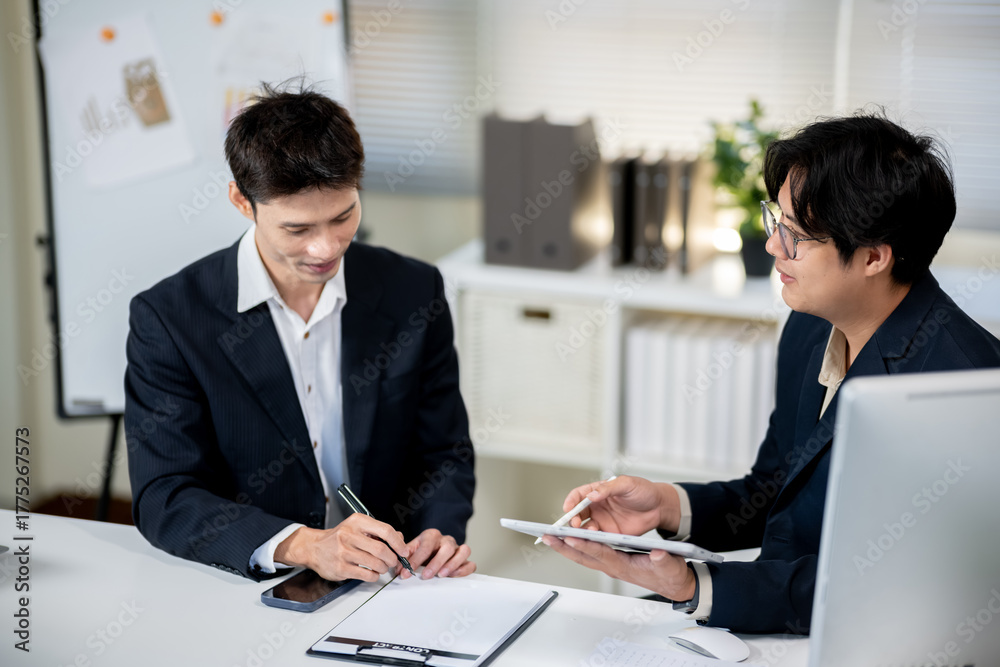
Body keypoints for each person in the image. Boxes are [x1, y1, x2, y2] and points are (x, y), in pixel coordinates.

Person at [542, 113, 1000, 634]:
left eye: (796, 235)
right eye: (776, 220)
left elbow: (903, 586)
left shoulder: (965, 390)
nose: (772, 246)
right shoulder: (811, 326)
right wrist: (666, 506)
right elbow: (774, 490)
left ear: (874, 257)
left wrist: (695, 587)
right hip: (777, 613)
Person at [125, 80, 476, 584]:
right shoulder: (170, 318)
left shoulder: (414, 290)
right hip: (247, 584)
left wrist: (437, 532)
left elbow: (443, 452)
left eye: (343, 216)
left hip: (392, 582)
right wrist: (304, 545)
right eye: (297, 229)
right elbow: (166, 495)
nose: (326, 248)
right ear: (241, 201)